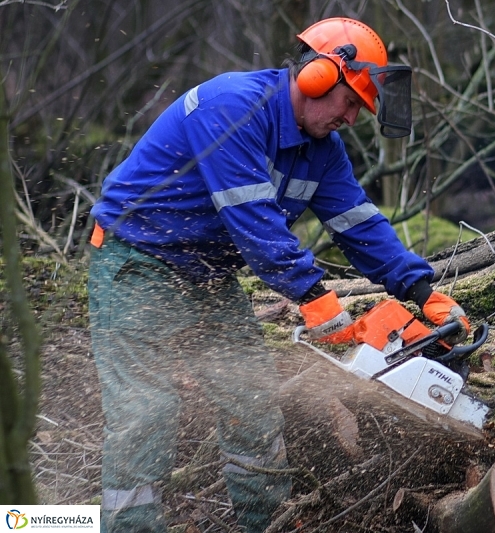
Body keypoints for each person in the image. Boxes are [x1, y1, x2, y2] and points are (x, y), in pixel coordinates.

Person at [87, 16, 471, 533]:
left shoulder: (324, 152)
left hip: (207, 277)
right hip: (138, 262)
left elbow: (359, 224)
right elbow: (252, 219)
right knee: (148, 411)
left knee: (251, 400)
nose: (352, 118)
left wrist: (423, 292)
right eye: (352, 101)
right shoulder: (233, 106)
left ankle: (267, 522)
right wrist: (314, 298)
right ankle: (129, 526)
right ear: (319, 75)